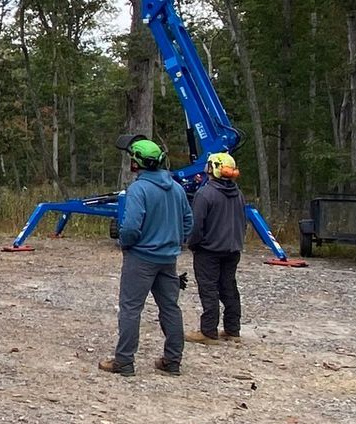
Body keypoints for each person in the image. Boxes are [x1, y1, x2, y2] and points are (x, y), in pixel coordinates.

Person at [98, 136, 192, 378]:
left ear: (136, 163)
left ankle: (124, 361)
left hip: (141, 258)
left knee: (130, 309)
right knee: (170, 308)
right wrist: (174, 242)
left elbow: (130, 227)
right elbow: (188, 222)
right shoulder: (177, 188)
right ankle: (173, 361)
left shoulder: (139, 189)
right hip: (168, 259)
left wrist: (125, 244)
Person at [189, 151, 246, 343]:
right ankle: (232, 329)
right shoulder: (238, 194)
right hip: (232, 250)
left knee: (209, 289)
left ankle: (208, 332)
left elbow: (197, 225)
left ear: (212, 169)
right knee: (229, 288)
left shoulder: (205, 194)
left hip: (209, 251)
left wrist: (194, 244)